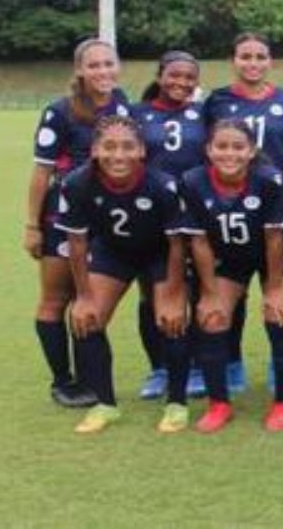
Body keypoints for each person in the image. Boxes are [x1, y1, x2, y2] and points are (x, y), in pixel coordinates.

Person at [55, 116, 189, 433]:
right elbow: (76, 243)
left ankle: (177, 403)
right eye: (109, 146)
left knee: (171, 319)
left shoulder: (163, 185)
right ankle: (105, 404)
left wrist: (172, 294)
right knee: (86, 319)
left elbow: (177, 245)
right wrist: (84, 296)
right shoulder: (76, 183)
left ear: (141, 150)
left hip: (160, 254)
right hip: (113, 252)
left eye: (128, 146)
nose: (118, 155)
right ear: (95, 149)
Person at [26, 38, 130, 408]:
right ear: (80, 70)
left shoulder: (123, 104)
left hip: (105, 218)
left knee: (90, 297)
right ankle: (62, 381)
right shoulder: (60, 111)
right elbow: (42, 171)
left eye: (108, 64)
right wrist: (32, 225)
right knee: (57, 298)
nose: (103, 71)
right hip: (62, 216)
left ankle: (90, 378)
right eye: (94, 65)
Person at [202, 33, 283, 393]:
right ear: (234, 60)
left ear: (270, 61)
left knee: (279, 291)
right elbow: (207, 148)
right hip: (229, 207)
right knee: (233, 292)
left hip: (276, 204)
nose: (253, 63)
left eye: (260, 56)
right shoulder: (217, 101)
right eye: (245, 56)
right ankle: (232, 368)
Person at [180, 120, 283, 432]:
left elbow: (274, 239)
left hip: (275, 256)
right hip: (229, 256)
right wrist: (208, 292)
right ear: (208, 150)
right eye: (221, 146)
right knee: (211, 315)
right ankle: (219, 404)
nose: (229, 153)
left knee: (279, 314)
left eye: (237, 147)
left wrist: (273, 289)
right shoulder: (192, 182)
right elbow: (200, 241)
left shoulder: (271, 180)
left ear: (251, 151)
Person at [131, 50, 206, 400]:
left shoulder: (203, 114)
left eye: (190, 78)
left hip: (194, 214)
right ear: (160, 76)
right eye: (175, 75)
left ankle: (193, 367)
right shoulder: (137, 114)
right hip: (149, 215)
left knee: (195, 291)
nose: (182, 83)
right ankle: (159, 368)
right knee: (152, 294)